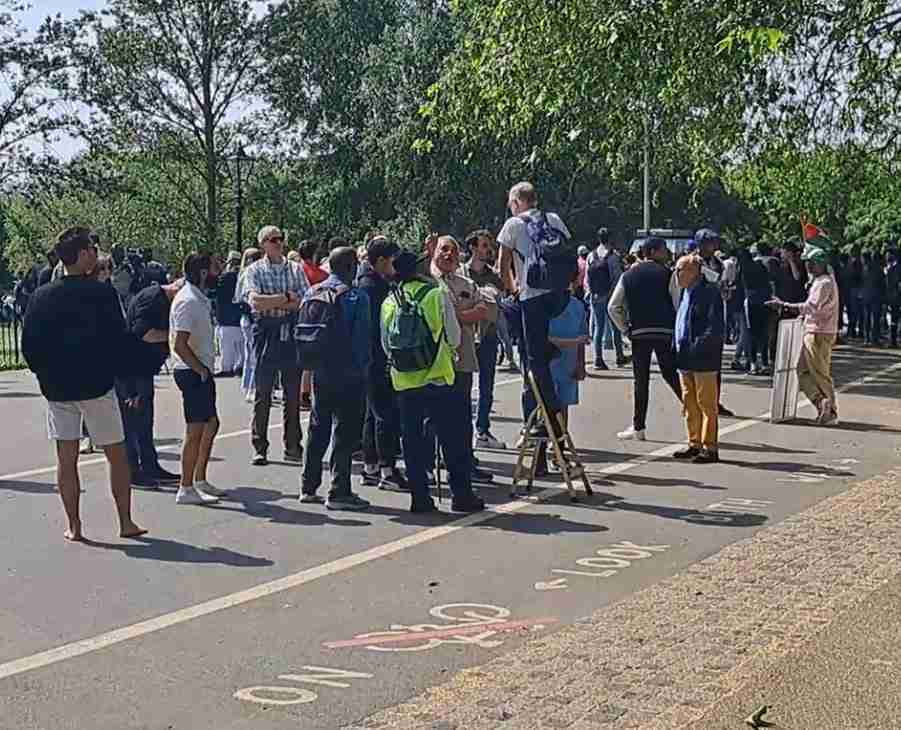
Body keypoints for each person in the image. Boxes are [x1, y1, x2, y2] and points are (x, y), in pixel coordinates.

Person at [21, 226, 152, 541]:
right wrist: (124, 374)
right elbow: (117, 340)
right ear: (81, 255)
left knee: (66, 459)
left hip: (58, 389)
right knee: (115, 455)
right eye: (92, 249)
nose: (95, 254)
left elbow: (29, 347)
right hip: (97, 386)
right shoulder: (101, 293)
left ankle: (75, 526)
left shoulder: (41, 296)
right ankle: (125, 521)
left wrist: (45, 375)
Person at [381, 251, 484, 513]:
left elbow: (386, 344)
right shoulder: (436, 294)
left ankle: (420, 497)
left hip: (405, 381)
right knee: (453, 437)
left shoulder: (390, 301)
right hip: (439, 377)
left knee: (413, 441)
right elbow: (454, 336)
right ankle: (461, 495)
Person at [299, 247, 372, 510]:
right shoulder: (355, 296)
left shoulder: (313, 291)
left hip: (320, 368)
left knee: (318, 427)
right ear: (351, 266)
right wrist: (365, 369)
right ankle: (339, 490)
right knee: (345, 432)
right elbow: (362, 339)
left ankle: (308, 485)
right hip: (349, 371)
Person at [497, 181, 572, 438]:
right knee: (540, 351)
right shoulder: (553, 219)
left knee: (534, 360)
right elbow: (567, 250)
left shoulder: (514, 224)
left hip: (533, 297)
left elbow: (502, 263)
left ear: (517, 202)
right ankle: (549, 351)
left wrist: (512, 289)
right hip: (560, 296)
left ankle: (548, 416)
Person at [432, 235, 496, 483]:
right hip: (437, 362)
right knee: (436, 417)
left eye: (453, 250)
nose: (449, 254)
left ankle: (466, 463)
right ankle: (437, 463)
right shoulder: (429, 282)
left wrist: (457, 313)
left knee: (462, 416)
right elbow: (439, 315)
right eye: (444, 249)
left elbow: (487, 311)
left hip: (463, 359)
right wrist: (465, 313)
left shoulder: (466, 282)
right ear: (434, 252)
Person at [244, 225, 309, 465]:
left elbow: (304, 300)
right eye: (273, 239)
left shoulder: (295, 268)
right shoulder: (254, 270)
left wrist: (280, 301)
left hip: (290, 332)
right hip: (266, 331)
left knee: (292, 393)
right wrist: (286, 298)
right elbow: (255, 302)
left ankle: (293, 445)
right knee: (263, 392)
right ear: (263, 243)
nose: (279, 243)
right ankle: (259, 446)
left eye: (281, 238)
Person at [608, 236, 682, 441]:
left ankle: (638, 427)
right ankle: (692, 408)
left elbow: (613, 307)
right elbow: (677, 303)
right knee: (671, 373)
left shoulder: (629, 275)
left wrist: (626, 329)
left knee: (641, 380)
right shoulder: (669, 274)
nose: (666, 253)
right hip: (665, 331)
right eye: (663, 249)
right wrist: (676, 328)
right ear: (652, 252)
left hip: (639, 333)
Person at [116, 277, 185, 488]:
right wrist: (175, 336)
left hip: (142, 370)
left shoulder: (162, 299)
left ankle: (150, 466)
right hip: (131, 369)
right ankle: (132, 472)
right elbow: (145, 333)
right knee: (132, 423)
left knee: (145, 423)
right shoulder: (152, 298)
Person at [170, 253, 226, 505]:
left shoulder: (198, 298)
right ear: (203, 272)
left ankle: (200, 479)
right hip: (191, 371)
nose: (218, 273)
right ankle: (186, 487)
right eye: (215, 267)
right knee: (195, 430)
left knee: (211, 424)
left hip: (201, 370)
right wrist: (200, 370)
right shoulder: (188, 300)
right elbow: (179, 344)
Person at [767, 245, 840, 425]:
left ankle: (830, 412)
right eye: (807, 263)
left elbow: (812, 307)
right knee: (803, 371)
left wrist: (785, 305)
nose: (808, 266)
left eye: (812, 263)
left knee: (820, 374)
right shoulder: (822, 281)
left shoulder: (824, 283)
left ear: (821, 264)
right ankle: (821, 403)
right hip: (815, 330)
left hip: (818, 332)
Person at [356, 236, 407, 491]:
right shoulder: (371, 287)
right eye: (391, 259)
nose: (395, 264)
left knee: (372, 414)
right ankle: (387, 469)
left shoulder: (379, 282)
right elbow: (379, 326)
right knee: (384, 415)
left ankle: (371, 466)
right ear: (380, 261)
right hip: (377, 358)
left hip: (374, 358)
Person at [672, 255, 724, 464]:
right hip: (684, 355)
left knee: (706, 403)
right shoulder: (685, 292)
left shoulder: (709, 292)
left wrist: (699, 345)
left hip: (703, 357)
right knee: (689, 402)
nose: (676, 274)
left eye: (680, 270)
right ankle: (694, 443)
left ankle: (710, 447)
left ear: (694, 272)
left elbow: (714, 326)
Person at [463, 229, 507, 450]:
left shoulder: (494, 276)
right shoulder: (461, 273)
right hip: (467, 338)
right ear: (472, 247)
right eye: (483, 245)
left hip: (489, 337)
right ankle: (464, 433)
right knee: (463, 386)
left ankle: (482, 430)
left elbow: (501, 302)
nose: (488, 249)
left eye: (489, 245)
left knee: (487, 386)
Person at [585, 228, 627, 369]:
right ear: (610, 239)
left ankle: (598, 358)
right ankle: (619, 356)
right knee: (615, 327)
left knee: (598, 327)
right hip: (610, 295)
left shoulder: (591, 255)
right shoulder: (613, 256)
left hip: (596, 296)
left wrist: (590, 292)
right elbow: (617, 278)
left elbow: (587, 277)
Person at [736, 247, 774, 376]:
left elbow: (740, 288)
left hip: (751, 302)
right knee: (763, 333)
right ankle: (764, 363)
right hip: (764, 301)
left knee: (751, 333)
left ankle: (753, 363)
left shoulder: (743, 269)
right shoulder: (760, 266)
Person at [235, 247, 262, 402]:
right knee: (255, 354)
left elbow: (238, 298)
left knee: (249, 353)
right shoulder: (252, 274)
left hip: (245, 318)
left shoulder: (242, 274)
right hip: (252, 318)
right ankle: (253, 388)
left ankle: (247, 385)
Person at [214, 251, 245, 376]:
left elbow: (217, 293)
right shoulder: (244, 276)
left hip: (226, 319)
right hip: (240, 317)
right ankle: (240, 367)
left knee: (227, 349)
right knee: (241, 350)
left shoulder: (224, 278)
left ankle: (227, 368)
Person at [862, 251, 886, 346]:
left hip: (867, 296)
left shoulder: (865, 268)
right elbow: (883, 284)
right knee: (874, 319)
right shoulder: (878, 269)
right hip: (876, 297)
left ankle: (867, 338)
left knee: (867, 318)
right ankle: (873, 339)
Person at [886, 249, 901, 347]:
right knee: (894, 320)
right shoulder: (893, 268)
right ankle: (893, 340)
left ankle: (893, 340)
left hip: (894, 297)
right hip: (895, 297)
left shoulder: (893, 268)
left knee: (894, 319)